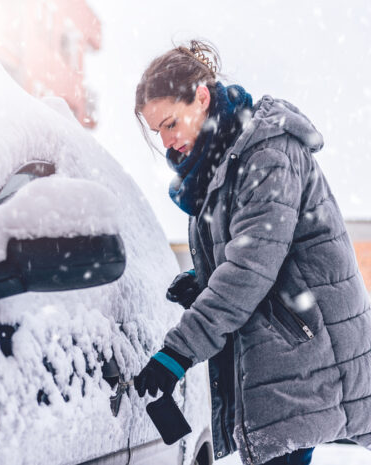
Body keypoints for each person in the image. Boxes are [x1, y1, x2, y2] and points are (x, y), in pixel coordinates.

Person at [132, 39, 371, 465]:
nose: (167, 143)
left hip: (306, 348)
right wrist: (204, 282)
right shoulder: (219, 165)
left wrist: (177, 353)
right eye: (159, 133)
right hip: (284, 349)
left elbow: (248, 270)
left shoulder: (267, 155)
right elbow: (249, 259)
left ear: (201, 97)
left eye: (170, 124)